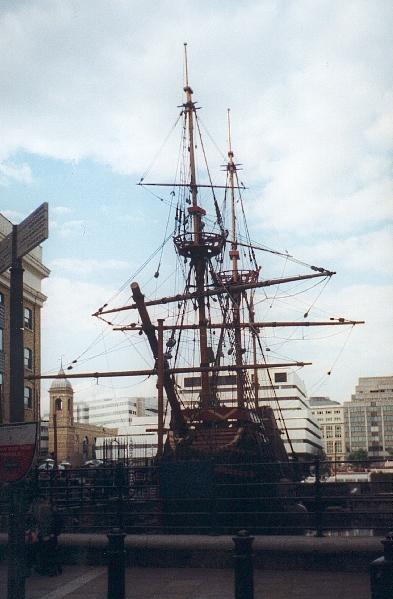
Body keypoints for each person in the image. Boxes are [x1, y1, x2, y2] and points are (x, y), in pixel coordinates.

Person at [33, 495, 63, 576]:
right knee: (47, 552)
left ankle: (49, 569)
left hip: (48, 536)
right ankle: (49, 569)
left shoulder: (49, 513)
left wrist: (51, 534)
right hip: (47, 535)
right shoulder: (51, 513)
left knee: (47, 552)